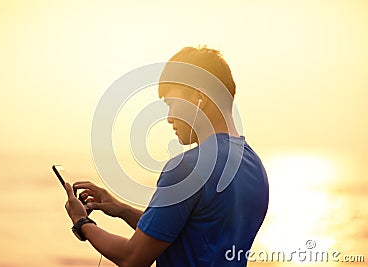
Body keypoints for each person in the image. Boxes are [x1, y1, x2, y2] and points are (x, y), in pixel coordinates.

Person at [64, 46, 269, 267]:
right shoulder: (255, 166)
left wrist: (82, 222)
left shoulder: (187, 167)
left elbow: (132, 257)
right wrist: (122, 210)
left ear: (199, 97)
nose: (169, 118)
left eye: (171, 103)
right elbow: (190, 234)